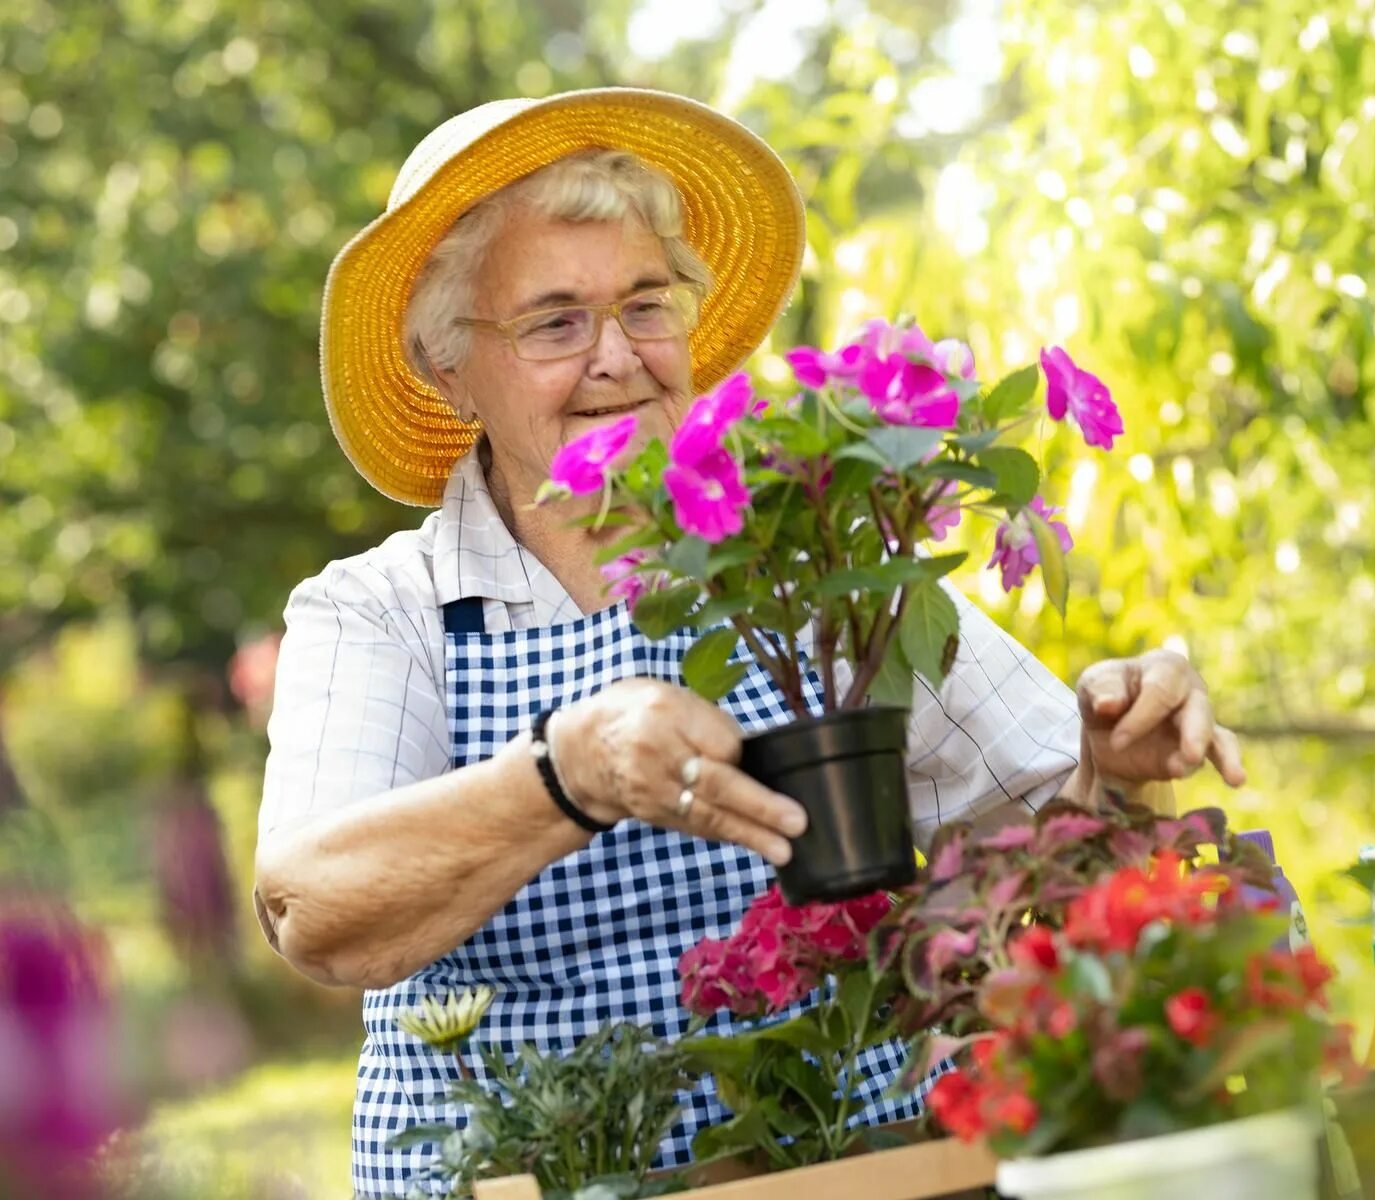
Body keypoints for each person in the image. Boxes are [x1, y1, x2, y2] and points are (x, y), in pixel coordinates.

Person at [251, 87, 1247, 1196]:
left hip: (850, 1172)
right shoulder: (383, 610)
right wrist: (567, 774)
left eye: (645, 303)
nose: (617, 356)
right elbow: (311, 909)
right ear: (448, 368)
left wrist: (1115, 759)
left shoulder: (812, 546)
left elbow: (1055, 850)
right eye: (553, 322)